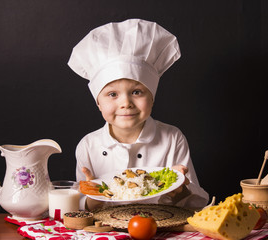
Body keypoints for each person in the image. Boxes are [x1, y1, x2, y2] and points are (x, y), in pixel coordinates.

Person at [68, 19, 209, 211]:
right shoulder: (88, 146)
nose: (126, 103)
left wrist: (180, 189)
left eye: (137, 92)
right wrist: (95, 195)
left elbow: (195, 205)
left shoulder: (172, 139)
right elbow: (81, 208)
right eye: (112, 94)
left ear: (152, 97)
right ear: (98, 102)